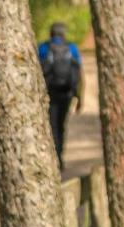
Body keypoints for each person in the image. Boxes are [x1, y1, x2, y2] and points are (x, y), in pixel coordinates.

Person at [38, 22, 83, 167]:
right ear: (64, 34)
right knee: (61, 125)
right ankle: (60, 156)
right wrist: (79, 97)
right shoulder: (72, 48)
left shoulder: (43, 48)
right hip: (67, 93)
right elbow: (79, 74)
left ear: (51, 33)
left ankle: (55, 156)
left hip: (50, 93)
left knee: (52, 125)